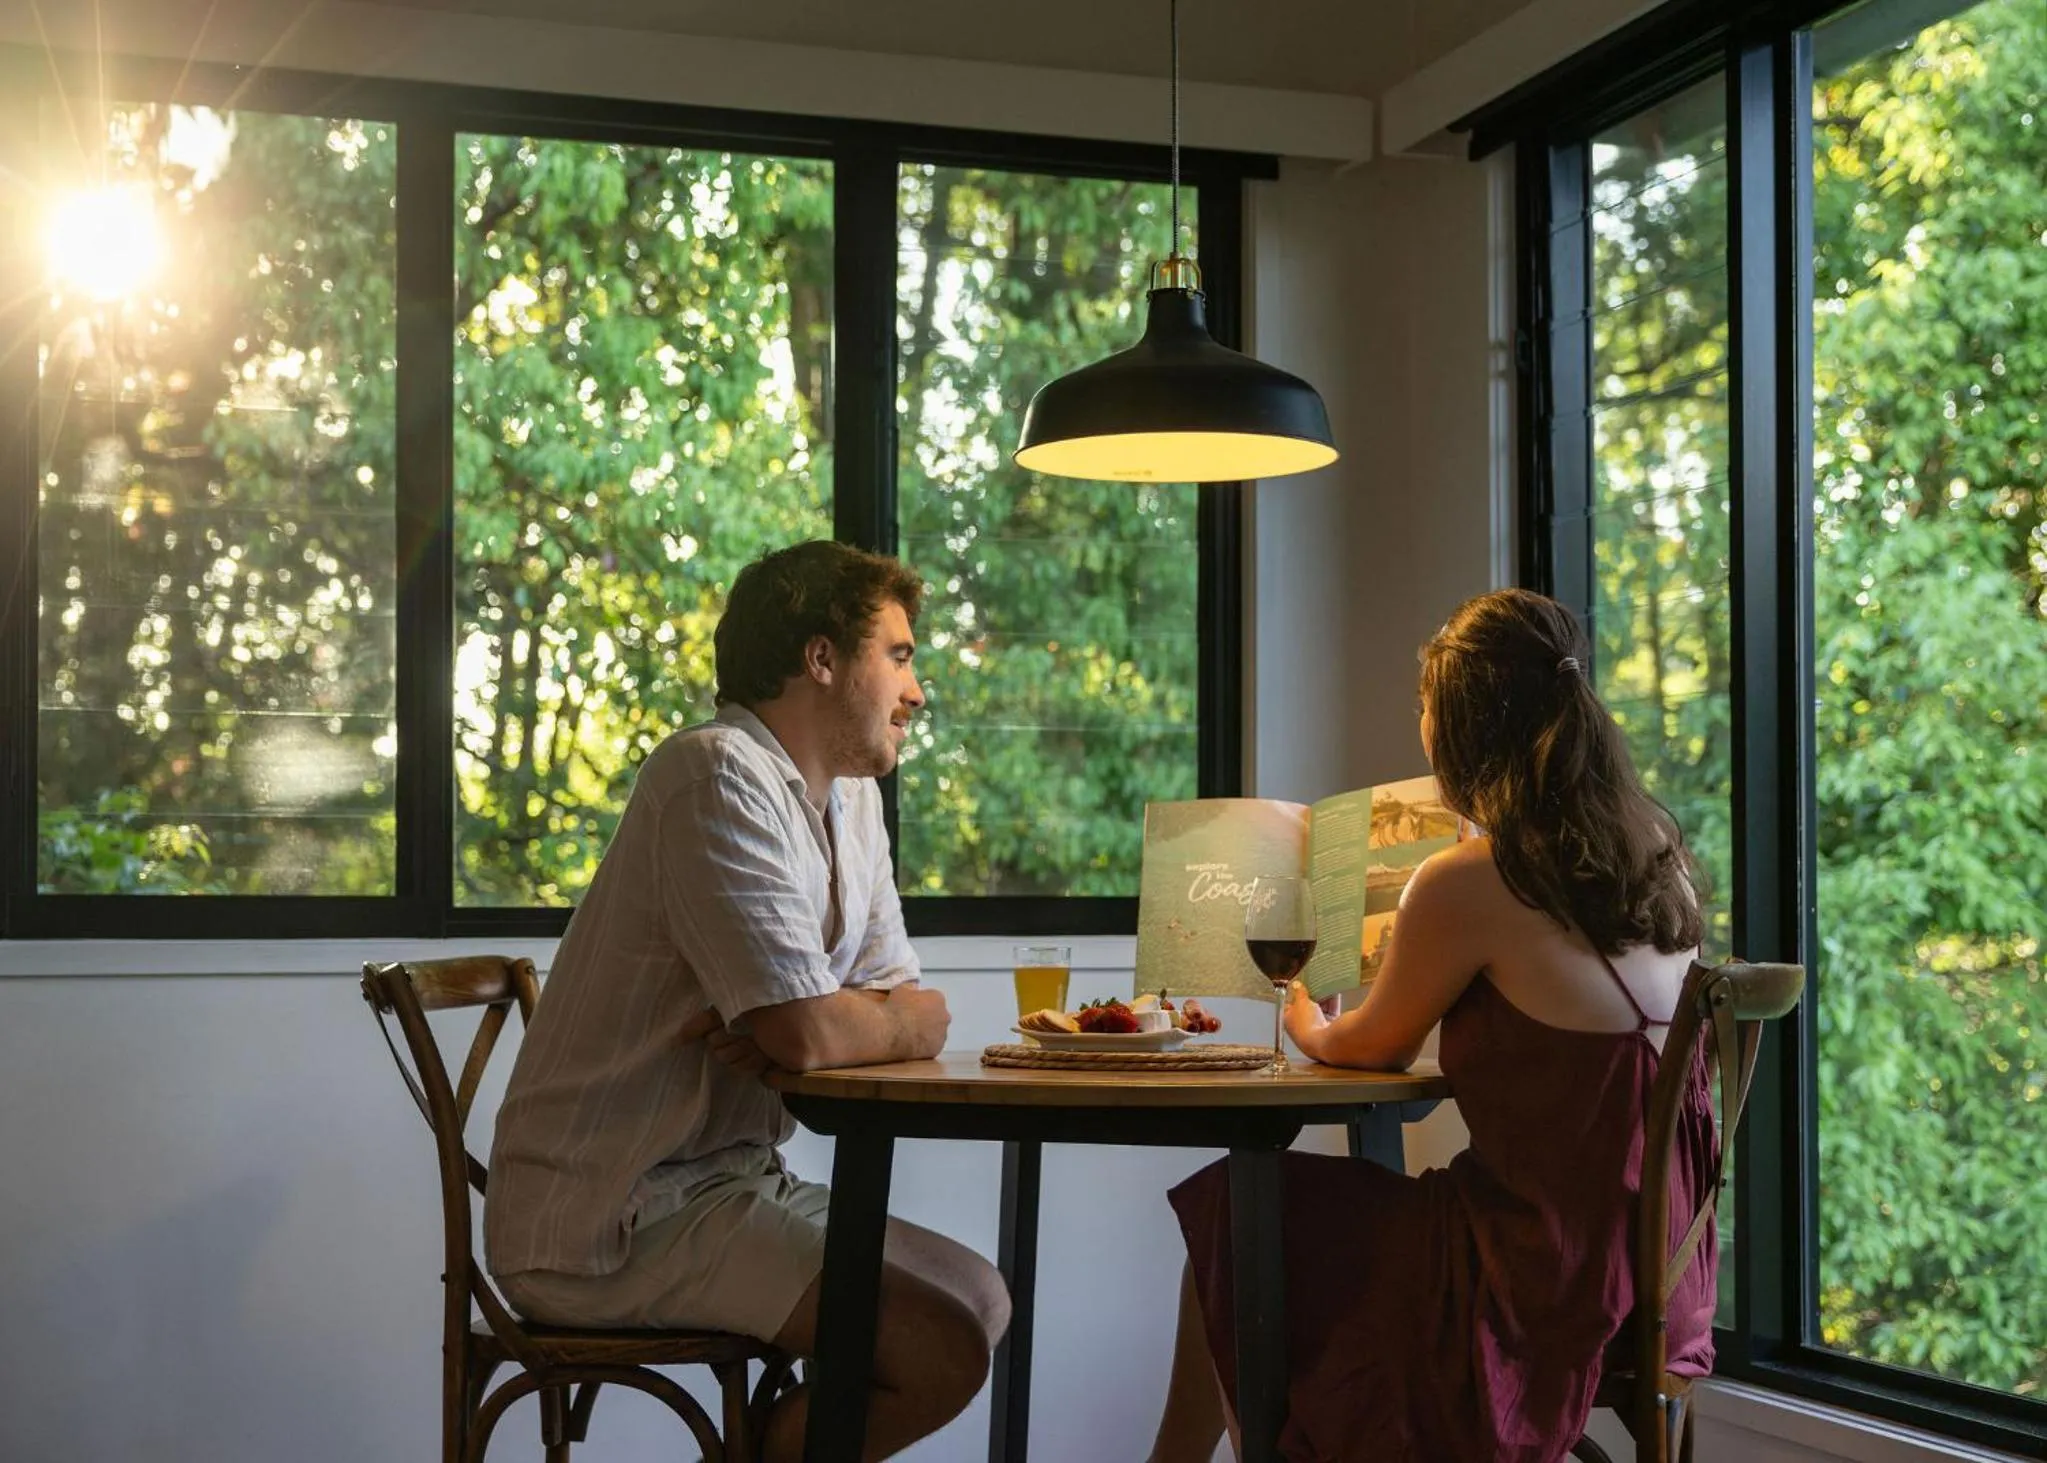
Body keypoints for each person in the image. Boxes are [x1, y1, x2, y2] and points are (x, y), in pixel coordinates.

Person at [1147, 588, 1715, 1463]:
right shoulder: (1657, 856)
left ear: (1463, 729)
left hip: (1529, 1276)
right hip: (1659, 1274)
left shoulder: (1472, 877)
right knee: (1290, 1216)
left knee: (1241, 1205)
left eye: (1426, 709)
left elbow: (1373, 1046)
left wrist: (1300, 1014)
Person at [485, 540, 1009, 1463]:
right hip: (613, 1212)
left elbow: (903, 1006)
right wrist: (828, 1024)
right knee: (939, 1347)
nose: (916, 691)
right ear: (821, 657)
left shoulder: (851, 803)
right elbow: (812, 1031)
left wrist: (852, 1022)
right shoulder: (713, 772)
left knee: (982, 1298)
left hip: (729, 1180)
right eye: (897, 656)